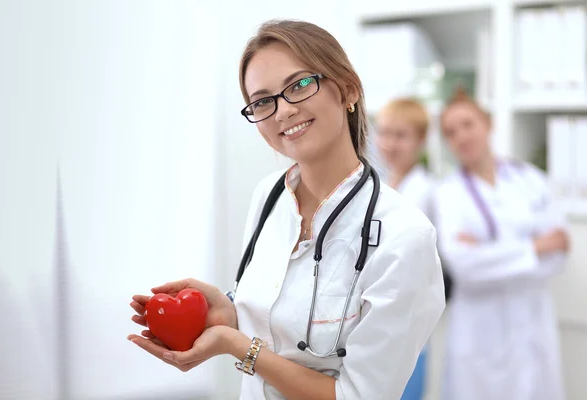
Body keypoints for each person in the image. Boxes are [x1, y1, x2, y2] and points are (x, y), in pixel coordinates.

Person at [128, 20, 445, 400]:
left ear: (348, 90)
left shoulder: (404, 236)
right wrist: (227, 315)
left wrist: (239, 347)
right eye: (262, 100)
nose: (282, 112)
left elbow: (359, 396)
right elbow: (282, 327)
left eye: (298, 86)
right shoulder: (269, 197)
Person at [433, 88, 569, 400]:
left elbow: (559, 250)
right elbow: (465, 267)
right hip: (479, 328)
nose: (462, 136)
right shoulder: (448, 193)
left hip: (532, 319)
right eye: (451, 132)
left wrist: (488, 252)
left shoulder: (530, 178)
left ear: (487, 124)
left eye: (468, 124)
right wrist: (534, 246)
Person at [375, 98, 434, 400]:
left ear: (420, 140)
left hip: (408, 327)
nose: (389, 143)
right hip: (377, 327)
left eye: (400, 135)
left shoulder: (426, 192)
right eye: (384, 133)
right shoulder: (381, 186)